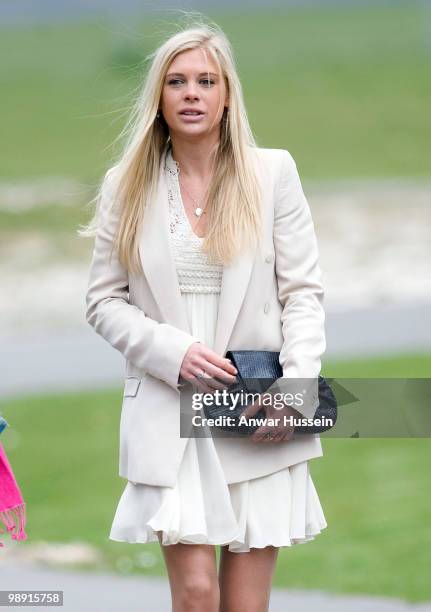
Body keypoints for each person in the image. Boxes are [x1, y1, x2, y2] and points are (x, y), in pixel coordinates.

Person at [83, 19, 327, 612]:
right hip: (171, 410)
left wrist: (296, 387)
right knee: (195, 597)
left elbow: (303, 294)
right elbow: (102, 300)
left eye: (205, 81)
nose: (191, 93)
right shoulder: (127, 185)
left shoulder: (273, 174)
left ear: (226, 97)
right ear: (159, 99)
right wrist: (171, 352)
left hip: (257, 408)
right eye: (176, 82)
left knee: (246, 605)